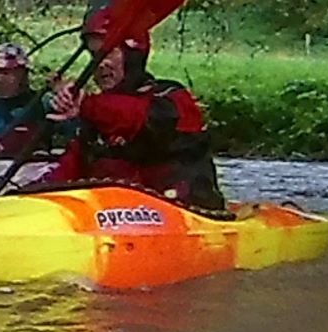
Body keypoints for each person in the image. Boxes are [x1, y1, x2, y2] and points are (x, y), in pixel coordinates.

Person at [22, 13, 225, 209]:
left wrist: (86, 105)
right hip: (121, 223)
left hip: (186, 217)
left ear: (133, 56)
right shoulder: (97, 118)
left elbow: (139, 118)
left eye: (108, 53)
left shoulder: (173, 99)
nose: (100, 64)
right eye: (94, 55)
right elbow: (69, 170)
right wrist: (27, 196)